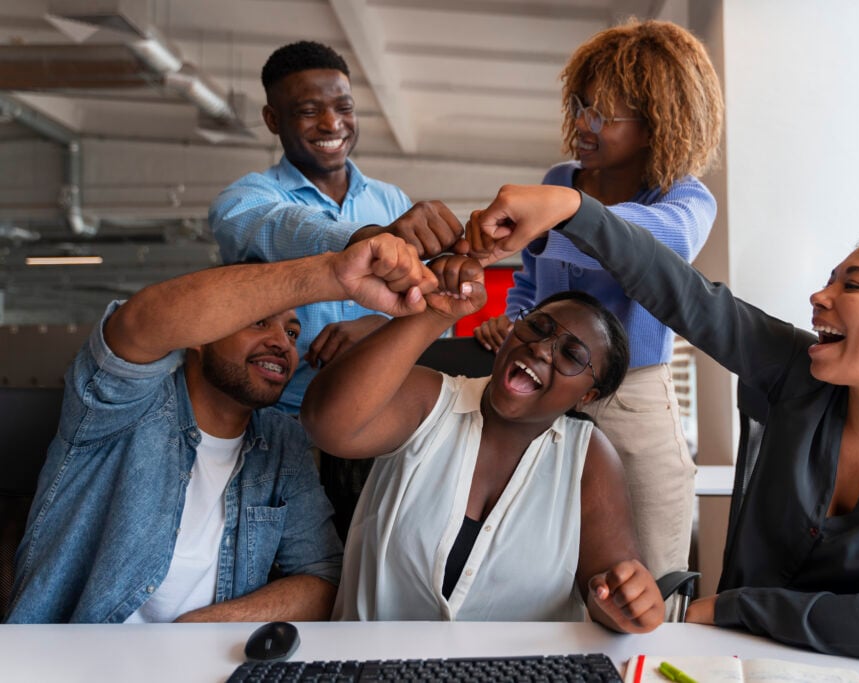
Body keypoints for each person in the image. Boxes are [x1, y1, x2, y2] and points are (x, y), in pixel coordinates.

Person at [463, 184, 859, 665]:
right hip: (727, 666)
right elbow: (687, 296)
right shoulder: (799, 374)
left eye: (852, 285)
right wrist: (572, 207)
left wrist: (718, 608)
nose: (819, 296)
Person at [5, 233, 436, 624]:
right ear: (200, 334)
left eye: (291, 331)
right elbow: (139, 325)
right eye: (259, 322)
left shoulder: (281, 442)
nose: (282, 343)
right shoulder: (121, 406)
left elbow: (322, 578)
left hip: (206, 666)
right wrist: (330, 273)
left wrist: (208, 626)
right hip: (70, 663)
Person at [472, 19, 724, 584]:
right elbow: (534, 285)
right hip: (544, 386)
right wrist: (514, 321)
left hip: (631, 394)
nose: (583, 124)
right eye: (582, 104)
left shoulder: (683, 199)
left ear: (657, 123)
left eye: (604, 115)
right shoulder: (562, 178)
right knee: (537, 559)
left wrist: (557, 215)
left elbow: (662, 244)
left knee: (653, 567)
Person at [300, 256, 665, 633]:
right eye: (537, 327)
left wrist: (628, 602)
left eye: (572, 355)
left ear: (587, 396)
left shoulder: (588, 456)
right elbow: (325, 423)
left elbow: (609, 587)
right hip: (376, 668)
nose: (541, 349)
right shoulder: (430, 399)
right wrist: (435, 312)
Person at [210, 40, 463, 414]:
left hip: (382, 416)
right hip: (282, 419)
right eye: (309, 111)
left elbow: (436, 320)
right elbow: (279, 226)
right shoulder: (248, 198)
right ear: (273, 119)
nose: (332, 124)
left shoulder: (391, 200)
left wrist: (379, 326)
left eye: (344, 108)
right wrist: (364, 240)